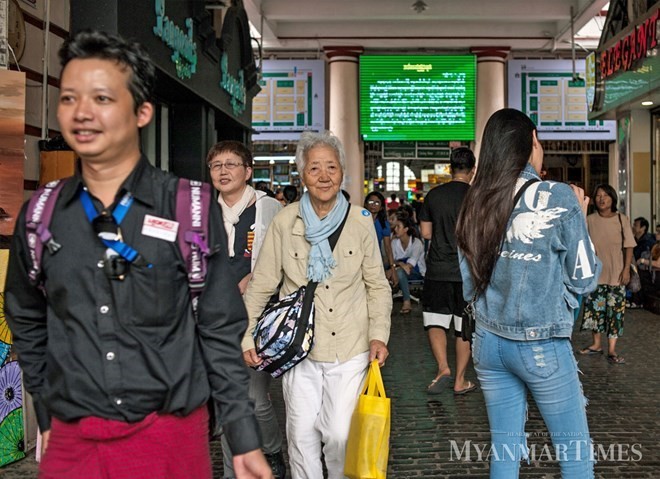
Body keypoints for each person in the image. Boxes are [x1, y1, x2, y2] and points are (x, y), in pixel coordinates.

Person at [4, 30, 272, 479]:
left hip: (169, 437)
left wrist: (242, 435)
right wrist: (47, 408)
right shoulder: (41, 213)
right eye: (69, 98)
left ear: (142, 111)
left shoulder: (189, 207)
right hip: (73, 441)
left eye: (102, 97)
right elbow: (26, 314)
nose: (82, 112)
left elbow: (219, 326)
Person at [455, 108, 601, 478]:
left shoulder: (475, 200)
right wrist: (579, 221)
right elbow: (585, 279)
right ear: (532, 142)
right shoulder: (559, 197)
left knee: (504, 453)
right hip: (542, 345)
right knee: (575, 456)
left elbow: (470, 287)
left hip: (488, 343)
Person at [241, 130, 392, 479]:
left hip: (351, 345)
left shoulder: (361, 222)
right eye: (314, 169)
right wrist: (248, 335)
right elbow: (262, 284)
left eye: (331, 167)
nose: (324, 176)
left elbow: (377, 286)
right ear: (303, 175)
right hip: (299, 348)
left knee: (339, 435)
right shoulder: (284, 220)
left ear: (342, 172)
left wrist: (379, 335)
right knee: (301, 435)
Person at [207, 141, 286, 479]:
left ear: (247, 171)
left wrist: (257, 277)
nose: (223, 171)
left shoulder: (269, 209)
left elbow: (286, 256)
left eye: (231, 164)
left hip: (258, 316)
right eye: (216, 166)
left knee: (254, 396)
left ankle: (272, 450)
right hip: (216, 319)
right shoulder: (204, 212)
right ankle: (231, 470)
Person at [419, 146, 476, 395]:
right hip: (467, 273)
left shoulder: (434, 195)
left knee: (435, 319)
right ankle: (460, 380)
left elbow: (426, 233)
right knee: (464, 325)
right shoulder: (478, 196)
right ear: (472, 171)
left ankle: (443, 367)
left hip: (437, 269)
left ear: (450, 169)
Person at [578, 184, 635, 364]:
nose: (601, 199)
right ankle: (596, 344)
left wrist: (626, 270)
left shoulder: (621, 219)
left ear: (612, 198)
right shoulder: (590, 220)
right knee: (595, 311)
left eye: (605, 195)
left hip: (616, 275)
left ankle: (612, 349)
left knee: (615, 312)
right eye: (598, 196)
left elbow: (629, 247)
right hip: (595, 274)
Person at [391, 210, 426, 314]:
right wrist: (400, 264)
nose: (395, 229)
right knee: (396, 270)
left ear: (406, 229)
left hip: (416, 272)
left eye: (398, 227)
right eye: (395, 227)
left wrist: (396, 266)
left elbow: (410, 265)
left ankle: (407, 301)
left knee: (399, 272)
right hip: (400, 269)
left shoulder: (416, 243)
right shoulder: (394, 242)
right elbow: (391, 259)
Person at [364, 191, 397, 287]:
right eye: (371, 202)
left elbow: (388, 248)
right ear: (366, 204)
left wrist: (392, 268)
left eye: (377, 203)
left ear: (382, 207)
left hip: (375, 260)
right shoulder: (358, 220)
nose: (373, 205)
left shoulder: (383, 223)